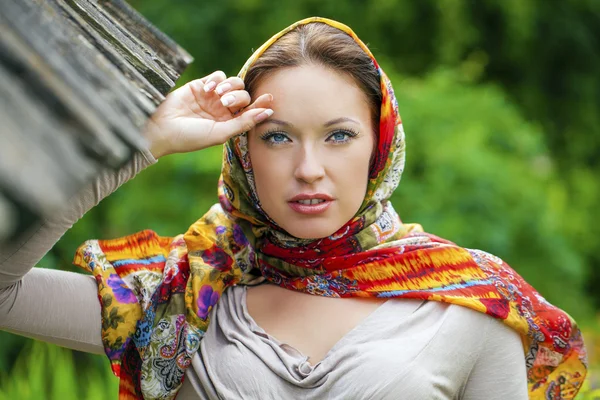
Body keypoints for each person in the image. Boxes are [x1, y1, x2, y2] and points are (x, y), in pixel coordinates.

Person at [0, 17, 587, 400]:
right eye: (278, 137)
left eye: (338, 136)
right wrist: (142, 143)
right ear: (244, 151)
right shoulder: (183, 297)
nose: (309, 168)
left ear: (380, 145)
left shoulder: (470, 304)